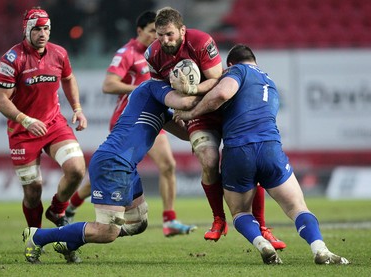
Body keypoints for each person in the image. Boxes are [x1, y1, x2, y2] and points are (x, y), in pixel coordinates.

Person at [173, 44, 350, 265]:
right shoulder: (270, 82)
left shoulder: (237, 71)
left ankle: (262, 244)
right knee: (297, 207)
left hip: (239, 151)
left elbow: (222, 93)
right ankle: (320, 249)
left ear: (230, 65)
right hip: (270, 149)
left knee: (239, 212)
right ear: (254, 60)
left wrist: (191, 113)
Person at [145, 6, 286, 249]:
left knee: (250, 160)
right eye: (160, 35)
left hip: (222, 110)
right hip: (197, 116)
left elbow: (215, 79)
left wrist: (191, 90)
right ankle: (219, 219)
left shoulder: (201, 42)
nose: (164, 40)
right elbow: (157, 88)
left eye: (169, 34)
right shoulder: (153, 54)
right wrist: (177, 102)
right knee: (208, 160)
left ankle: (263, 225)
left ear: (182, 30)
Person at [22, 79, 201, 264]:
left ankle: (68, 243)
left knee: (138, 223)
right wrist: (204, 93)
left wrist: (193, 120)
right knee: (106, 232)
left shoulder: (161, 111)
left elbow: (187, 134)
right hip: (112, 163)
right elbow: (186, 103)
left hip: (126, 166)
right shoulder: (152, 87)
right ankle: (38, 236)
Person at [64, 11, 196, 237]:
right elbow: (108, 85)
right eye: (153, 31)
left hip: (154, 114)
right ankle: (72, 207)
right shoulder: (127, 54)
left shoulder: (160, 54)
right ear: (140, 31)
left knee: (167, 166)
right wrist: (143, 90)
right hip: (130, 117)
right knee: (114, 170)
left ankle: (169, 220)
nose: (158, 37)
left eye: (161, 32)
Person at [0, 7, 86, 235]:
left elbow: (69, 78)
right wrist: (25, 120)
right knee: (33, 190)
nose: (42, 33)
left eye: (46, 29)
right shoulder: (11, 60)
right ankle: (35, 237)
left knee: (76, 170)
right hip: (23, 130)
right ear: (26, 30)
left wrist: (77, 108)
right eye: (36, 29)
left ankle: (57, 210)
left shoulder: (59, 53)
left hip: (53, 124)